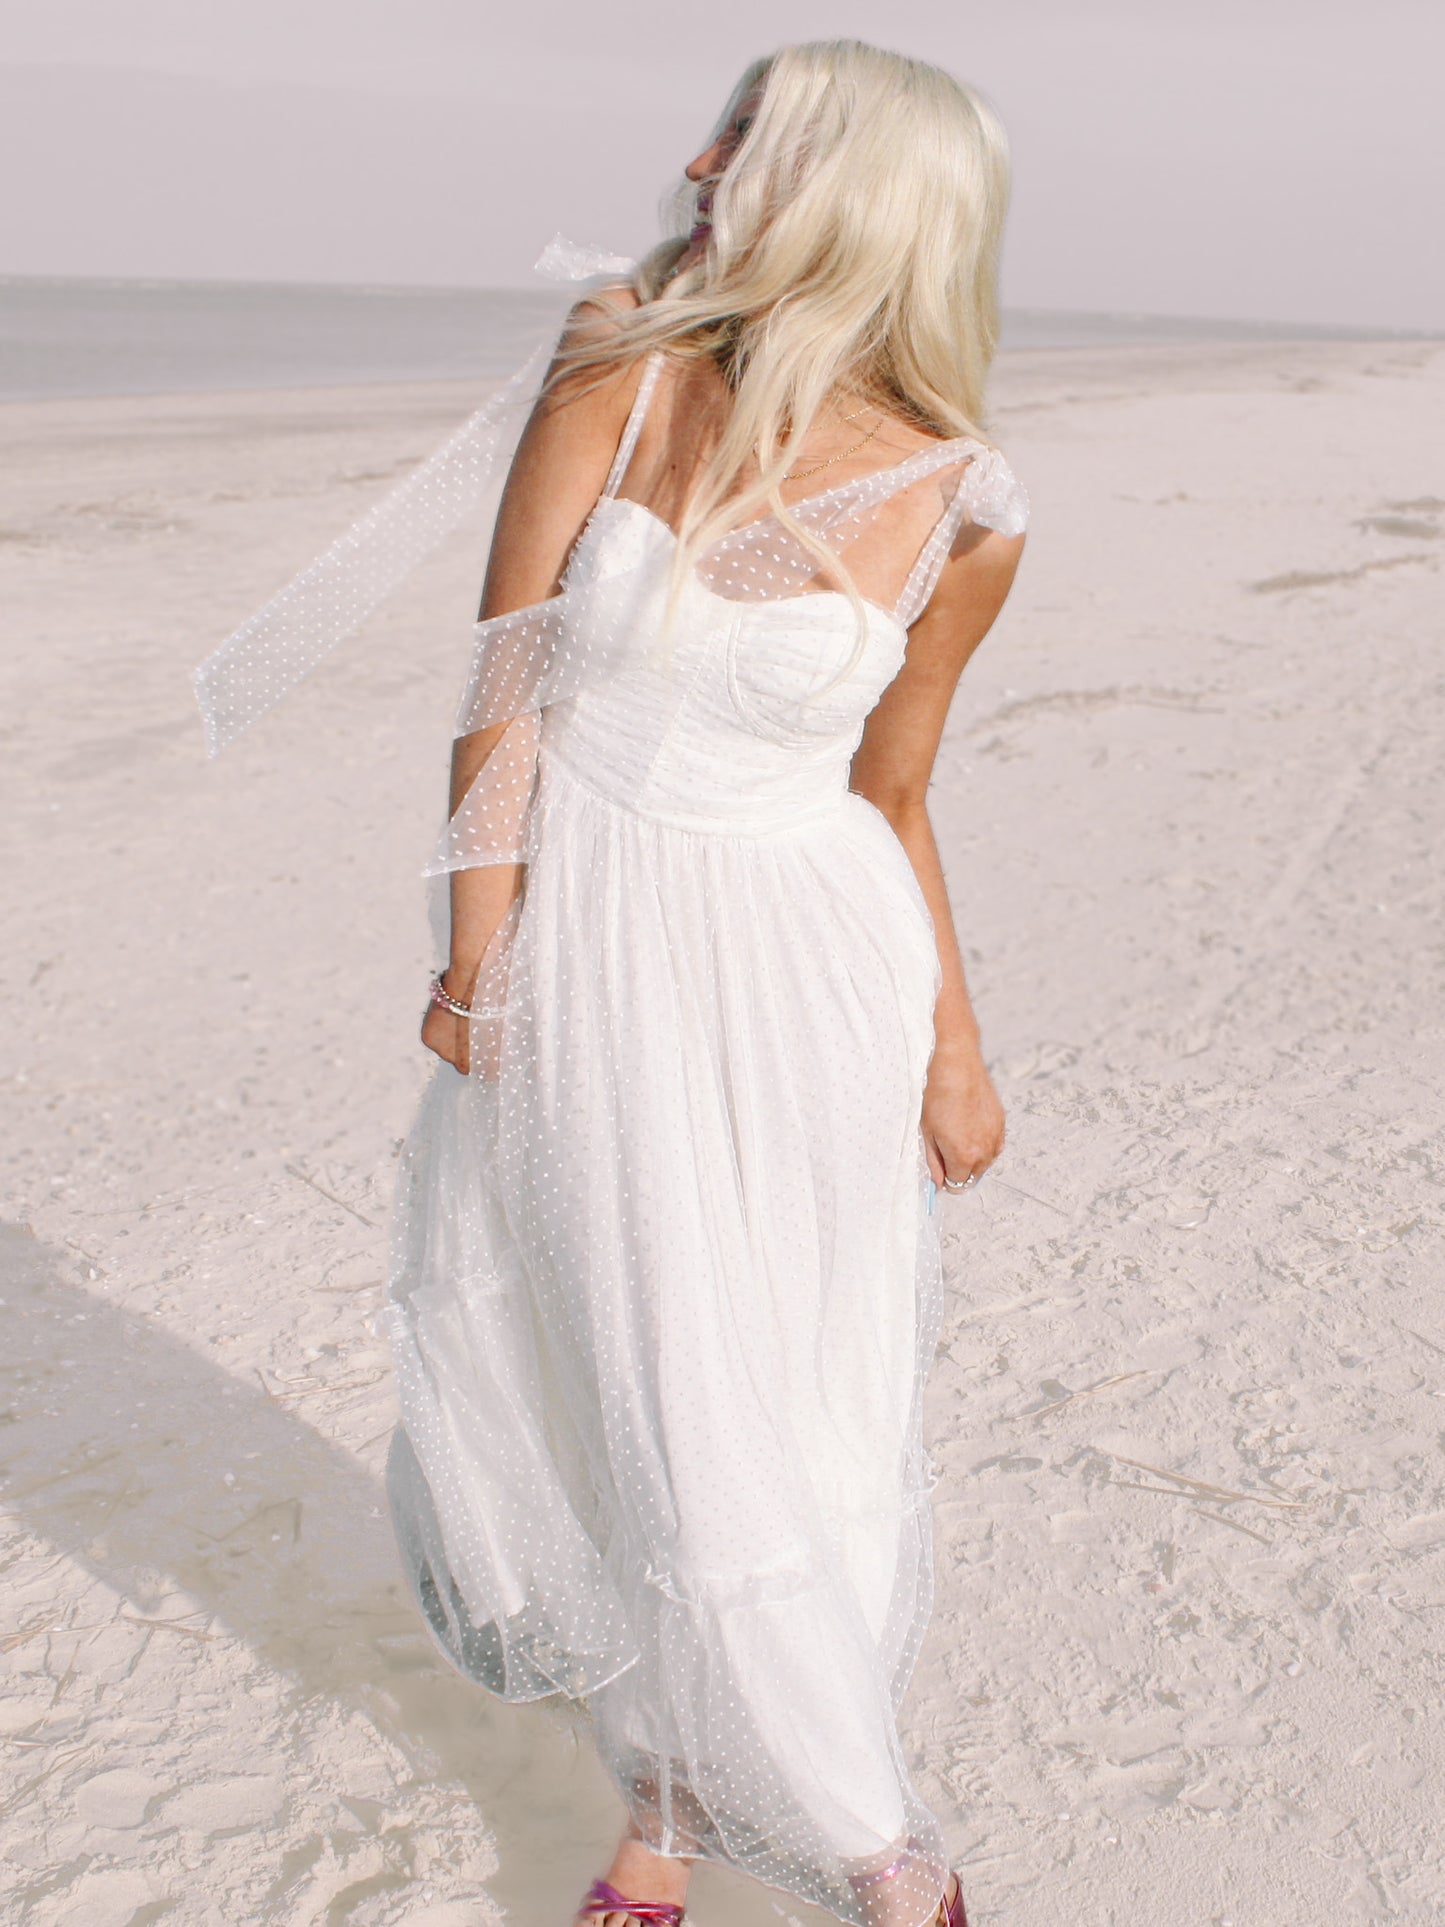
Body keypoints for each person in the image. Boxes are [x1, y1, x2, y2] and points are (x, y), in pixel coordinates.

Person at [382, 39, 1028, 1927]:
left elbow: (893, 796)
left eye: (747, 138)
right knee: (639, 1374)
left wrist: (953, 1057)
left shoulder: (970, 502)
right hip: (596, 948)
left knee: (802, 1392)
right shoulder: (626, 358)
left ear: (851, 188)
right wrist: (474, 953)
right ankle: (875, 1849)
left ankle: (676, 1810)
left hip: (818, 966)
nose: (694, 156)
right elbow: (510, 675)